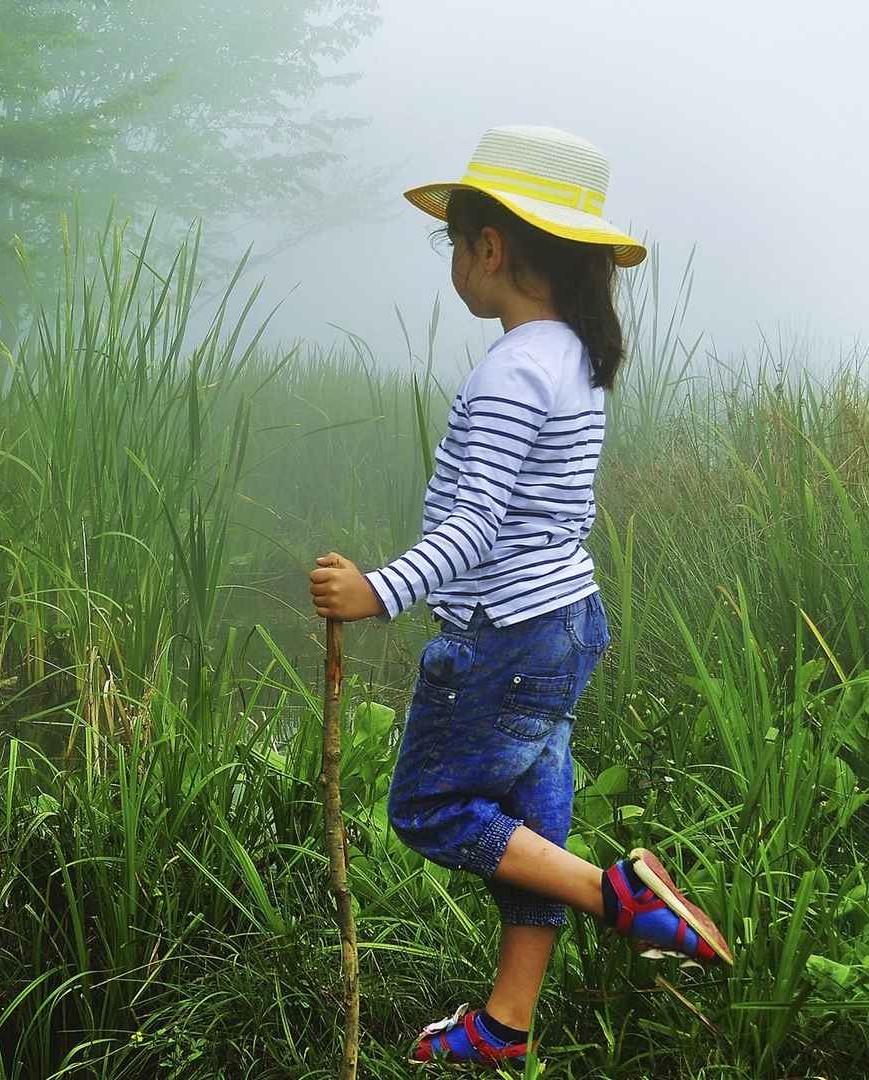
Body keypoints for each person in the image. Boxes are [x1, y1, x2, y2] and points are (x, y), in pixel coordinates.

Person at [308, 125, 734, 1067]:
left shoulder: (508, 373)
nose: (454, 264)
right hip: (567, 622)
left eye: (455, 245)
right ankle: (508, 1024)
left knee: (428, 806)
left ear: (489, 248)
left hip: (505, 636)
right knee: (528, 824)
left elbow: (472, 534)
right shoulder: (576, 359)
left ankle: (618, 897)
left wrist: (373, 592)